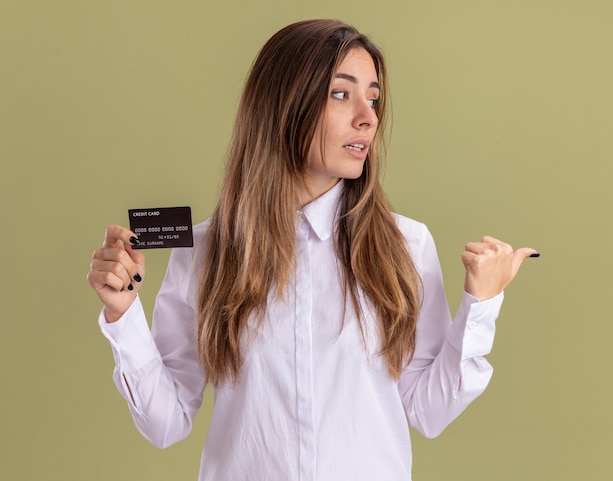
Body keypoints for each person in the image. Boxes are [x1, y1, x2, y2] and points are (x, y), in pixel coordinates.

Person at [87, 19, 538, 481]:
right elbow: (166, 423)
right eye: (342, 94)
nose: (368, 116)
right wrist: (124, 316)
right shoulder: (207, 251)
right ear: (285, 105)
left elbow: (428, 410)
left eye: (374, 98)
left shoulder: (406, 245)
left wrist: (480, 307)